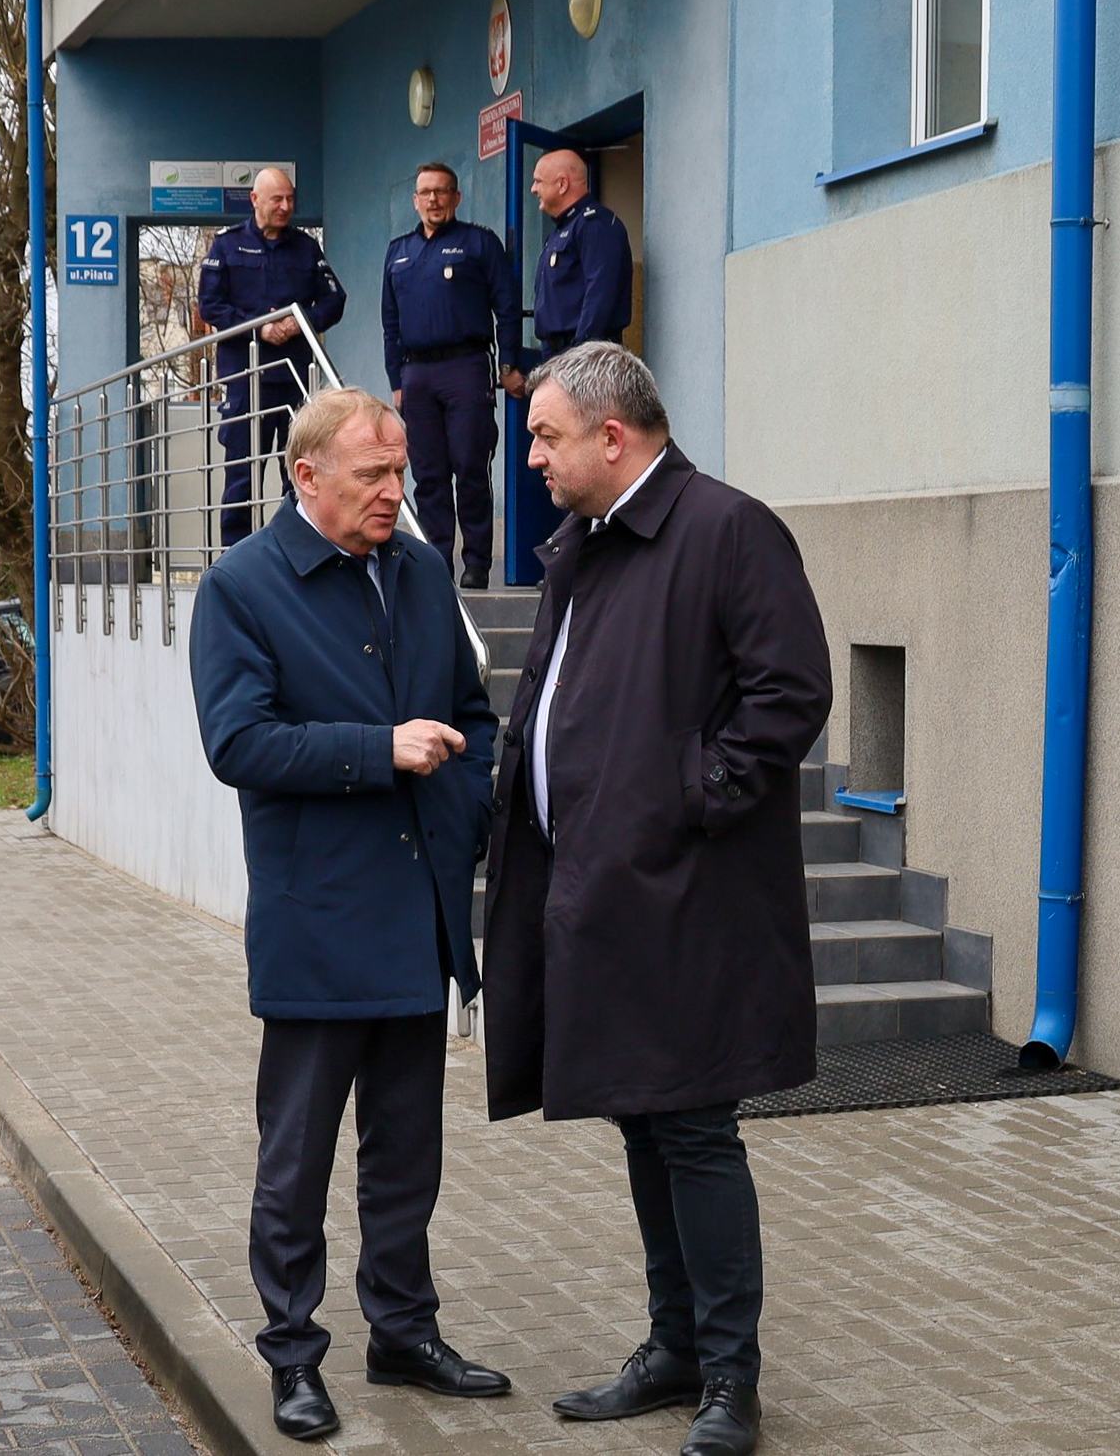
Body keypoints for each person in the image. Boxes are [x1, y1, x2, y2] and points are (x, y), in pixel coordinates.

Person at [482, 344, 832, 1456]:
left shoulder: (727, 529)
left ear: (611, 434)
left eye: (545, 436)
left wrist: (690, 794)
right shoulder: (586, 543)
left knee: (692, 1126)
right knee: (641, 1113)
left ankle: (731, 1377)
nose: (531, 457)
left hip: (688, 895)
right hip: (601, 890)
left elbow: (791, 693)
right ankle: (674, 1346)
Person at [189, 387, 510, 1443]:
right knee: (297, 1159)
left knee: (407, 1152)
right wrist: (380, 752)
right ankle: (292, 1355)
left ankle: (404, 1333)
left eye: (400, 471)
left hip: (417, 918)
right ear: (307, 475)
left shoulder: (419, 570)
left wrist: (464, 807)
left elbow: (470, 719)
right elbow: (238, 744)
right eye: (373, 474)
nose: (393, 491)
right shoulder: (241, 588)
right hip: (319, 924)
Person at [381, 162, 522, 589]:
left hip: (466, 367)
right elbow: (390, 322)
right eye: (426, 192)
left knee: (470, 465)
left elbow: (507, 307)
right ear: (415, 200)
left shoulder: (479, 243)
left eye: (442, 191)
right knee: (428, 474)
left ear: (456, 197)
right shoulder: (399, 251)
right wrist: (396, 381)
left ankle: (476, 563)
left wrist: (508, 364)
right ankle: (435, 563)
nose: (434, 200)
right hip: (417, 374)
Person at [198, 166, 346, 548]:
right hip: (247, 381)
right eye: (277, 199)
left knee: (299, 475)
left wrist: (300, 322)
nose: (285, 207)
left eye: (290, 199)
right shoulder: (227, 245)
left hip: (296, 380)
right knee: (242, 479)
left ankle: (295, 555)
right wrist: (259, 328)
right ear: (255, 200)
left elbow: (335, 299)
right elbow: (210, 304)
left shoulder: (306, 247)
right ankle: (236, 560)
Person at [511, 148, 633, 372]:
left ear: (562, 184)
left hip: (586, 358)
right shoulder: (560, 232)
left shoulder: (595, 224)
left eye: (538, 181)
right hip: (558, 355)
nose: (533, 189)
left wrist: (579, 355)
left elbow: (600, 294)